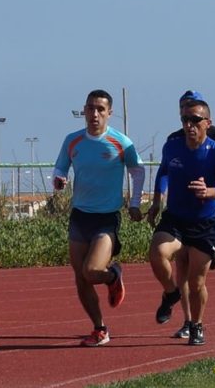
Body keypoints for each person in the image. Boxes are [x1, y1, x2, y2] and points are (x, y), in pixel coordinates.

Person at [147, 90, 215, 340]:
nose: (188, 124)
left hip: (205, 219)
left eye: (194, 118)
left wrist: (213, 191)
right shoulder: (172, 144)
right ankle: (172, 296)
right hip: (177, 217)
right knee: (160, 254)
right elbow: (162, 172)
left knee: (196, 281)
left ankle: (196, 325)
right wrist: (157, 200)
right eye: (184, 118)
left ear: (206, 122)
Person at [53, 89, 145, 347]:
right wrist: (59, 179)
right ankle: (100, 328)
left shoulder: (121, 142)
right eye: (90, 108)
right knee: (81, 278)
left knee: (92, 271)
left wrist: (135, 202)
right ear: (84, 110)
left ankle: (113, 275)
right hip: (80, 216)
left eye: (100, 109)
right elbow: (61, 166)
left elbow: (137, 171)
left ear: (109, 113)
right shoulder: (72, 141)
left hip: (107, 218)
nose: (94, 114)